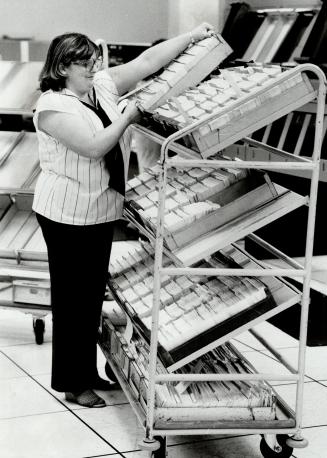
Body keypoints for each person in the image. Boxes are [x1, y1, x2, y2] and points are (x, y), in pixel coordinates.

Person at [33, 23, 214, 408]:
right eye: (84, 63)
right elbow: (95, 146)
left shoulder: (100, 86)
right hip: (65, 213)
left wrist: (193, 36)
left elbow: (147, 61)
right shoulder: (52, 107)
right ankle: (72, 381)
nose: (93, 67)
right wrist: (129, 116)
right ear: (63, 67)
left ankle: (87, 371)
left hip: (98, 208)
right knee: (72, 298)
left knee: (90, 295)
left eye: (94, 61)